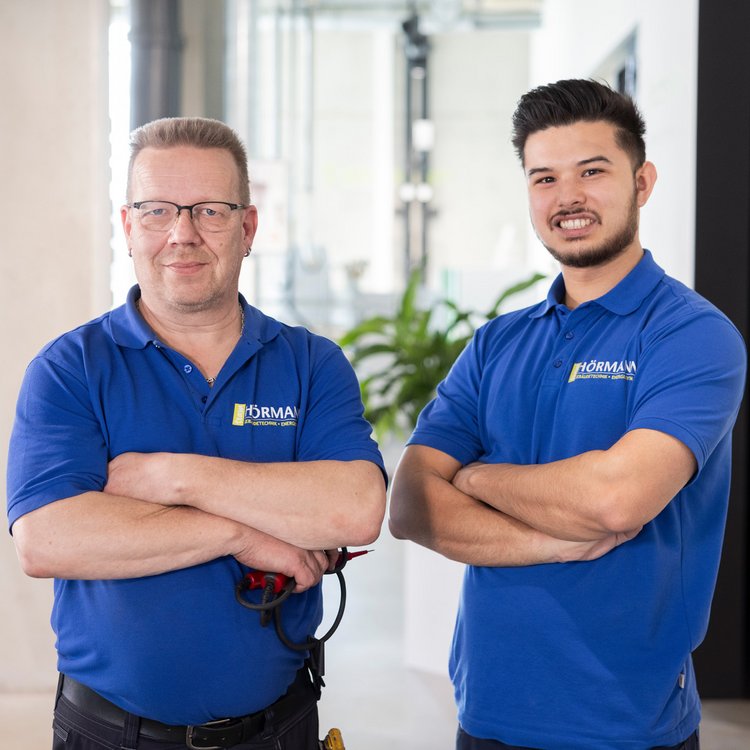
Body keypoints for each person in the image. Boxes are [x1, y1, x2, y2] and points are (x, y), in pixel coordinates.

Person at [7, 116, 387, 750]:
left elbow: (355, 509)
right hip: (110, 733)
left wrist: (168, 477)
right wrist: (243, 534)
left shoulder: (311, 363)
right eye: (157, 211)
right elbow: (47, 539)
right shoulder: (71, 368)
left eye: (210, 210)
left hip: (279, 730)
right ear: (128, 228)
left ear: (248, 228)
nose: (182, 234)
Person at [389, 79, 747, 750]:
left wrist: (475, 479)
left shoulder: (692, 335)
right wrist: (556, 538)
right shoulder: (495, 344)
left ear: (642, 181)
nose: (567, 197)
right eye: (544, 178)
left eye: (592, 171)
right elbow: (410, 505)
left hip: (627, 722)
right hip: (486, 713)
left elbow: (616, 502)